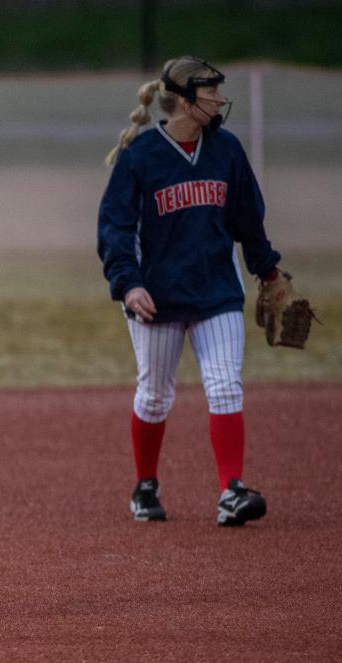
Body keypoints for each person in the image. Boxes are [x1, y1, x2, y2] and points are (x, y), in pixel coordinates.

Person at [97, 55, 279, 527]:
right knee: (155, 395)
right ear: (181, 99)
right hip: (156, 297)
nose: (219, 97)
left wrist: (268, 272)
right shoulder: (140, 157)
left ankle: (231, 491)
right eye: (209, 90)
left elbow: (247, 220)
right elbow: (116, 228)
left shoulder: (227, 151)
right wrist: (128, 284)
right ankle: (145, 485)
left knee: (224, 385)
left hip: (217, 290)